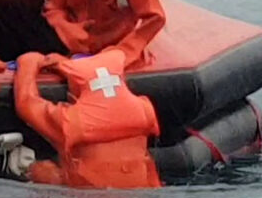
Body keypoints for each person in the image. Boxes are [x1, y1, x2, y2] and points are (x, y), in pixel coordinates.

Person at [10, 48, 162, 189]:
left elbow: (26, 103)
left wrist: (28, 61)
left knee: (41, 169)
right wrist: (64, 64)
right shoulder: (144, 112)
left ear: (72, 96)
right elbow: (96, 75)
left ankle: (17, 164)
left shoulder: (71, 122)